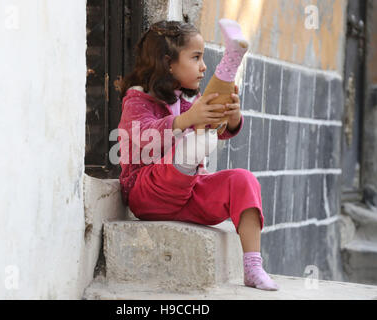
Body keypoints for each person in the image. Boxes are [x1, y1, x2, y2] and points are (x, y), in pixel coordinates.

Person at [117, 20, 279, 291]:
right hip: (149, 195)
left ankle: (252, 266)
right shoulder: (137, 100)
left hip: (189, 193)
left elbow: (219, 131)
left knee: (243, 179)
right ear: (168, 64)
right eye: (196, 58)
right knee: (193, 142)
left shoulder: (186, 101)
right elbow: (143, 137)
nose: (203, 66)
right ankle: (190, 151)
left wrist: (231, 115)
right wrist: (186, 120)